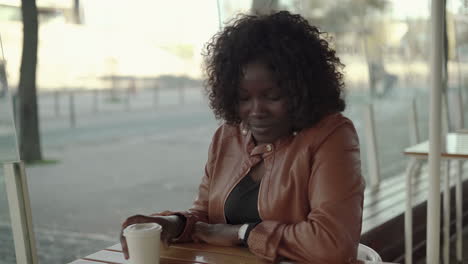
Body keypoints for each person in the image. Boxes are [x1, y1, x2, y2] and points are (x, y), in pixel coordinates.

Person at [120, 11, 365, 263]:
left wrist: (243, 233)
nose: (256, 111)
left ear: (301, 90)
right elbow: (206, 218)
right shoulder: (228, 136)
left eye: (272, 97)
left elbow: (333, 243)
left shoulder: (332, 136)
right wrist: (172, 223)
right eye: (243, 98)